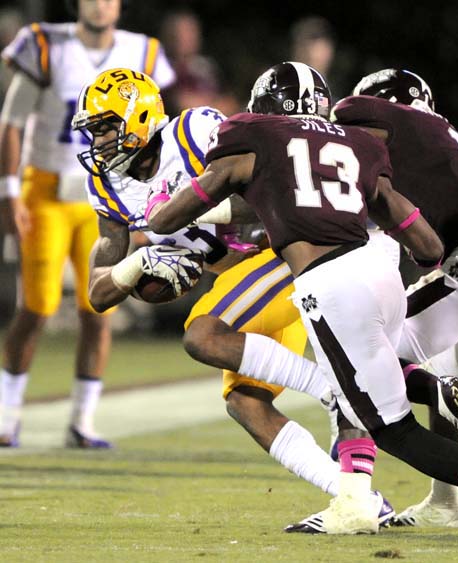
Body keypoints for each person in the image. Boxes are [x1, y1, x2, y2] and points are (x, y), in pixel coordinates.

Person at [146, 61, 458, 540]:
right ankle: (389, 459)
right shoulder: (356, 146)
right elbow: (428, 249)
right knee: (377, 378)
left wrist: (161, 212)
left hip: (330, 285)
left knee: (394, 429)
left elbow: (169, 218)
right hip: (381, 273)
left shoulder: (252, 134)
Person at [71, 66, 397, 526]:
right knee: (245, 402)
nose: (98, 142)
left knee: (202, 335)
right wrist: (135, 266)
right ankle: (357, 500)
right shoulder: (105, 184)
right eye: (93, 131)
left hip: (286, 254)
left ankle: (335, 390)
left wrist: (192, 214)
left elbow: (275, 185)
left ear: (140, 117)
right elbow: (98, 293)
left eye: (105, 127)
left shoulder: (194, 132)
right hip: (247, 287)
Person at [329, 68, 458, 528]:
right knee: (438, 372)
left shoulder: (398, 121)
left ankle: (352, 501)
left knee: (359, 362)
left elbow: (346, 113)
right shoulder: (441, 140)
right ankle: (447, 504)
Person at [0, 0, 174, 448]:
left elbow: (156, 127)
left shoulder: (143, 52)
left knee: (100, 307)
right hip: (48, 191)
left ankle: (82, 421)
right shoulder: (46, 45)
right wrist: (8, 190)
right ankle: (5, 414)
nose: (100, 4)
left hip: (109, 194)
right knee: (36, 306)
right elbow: (12, 121)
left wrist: (150, 194)